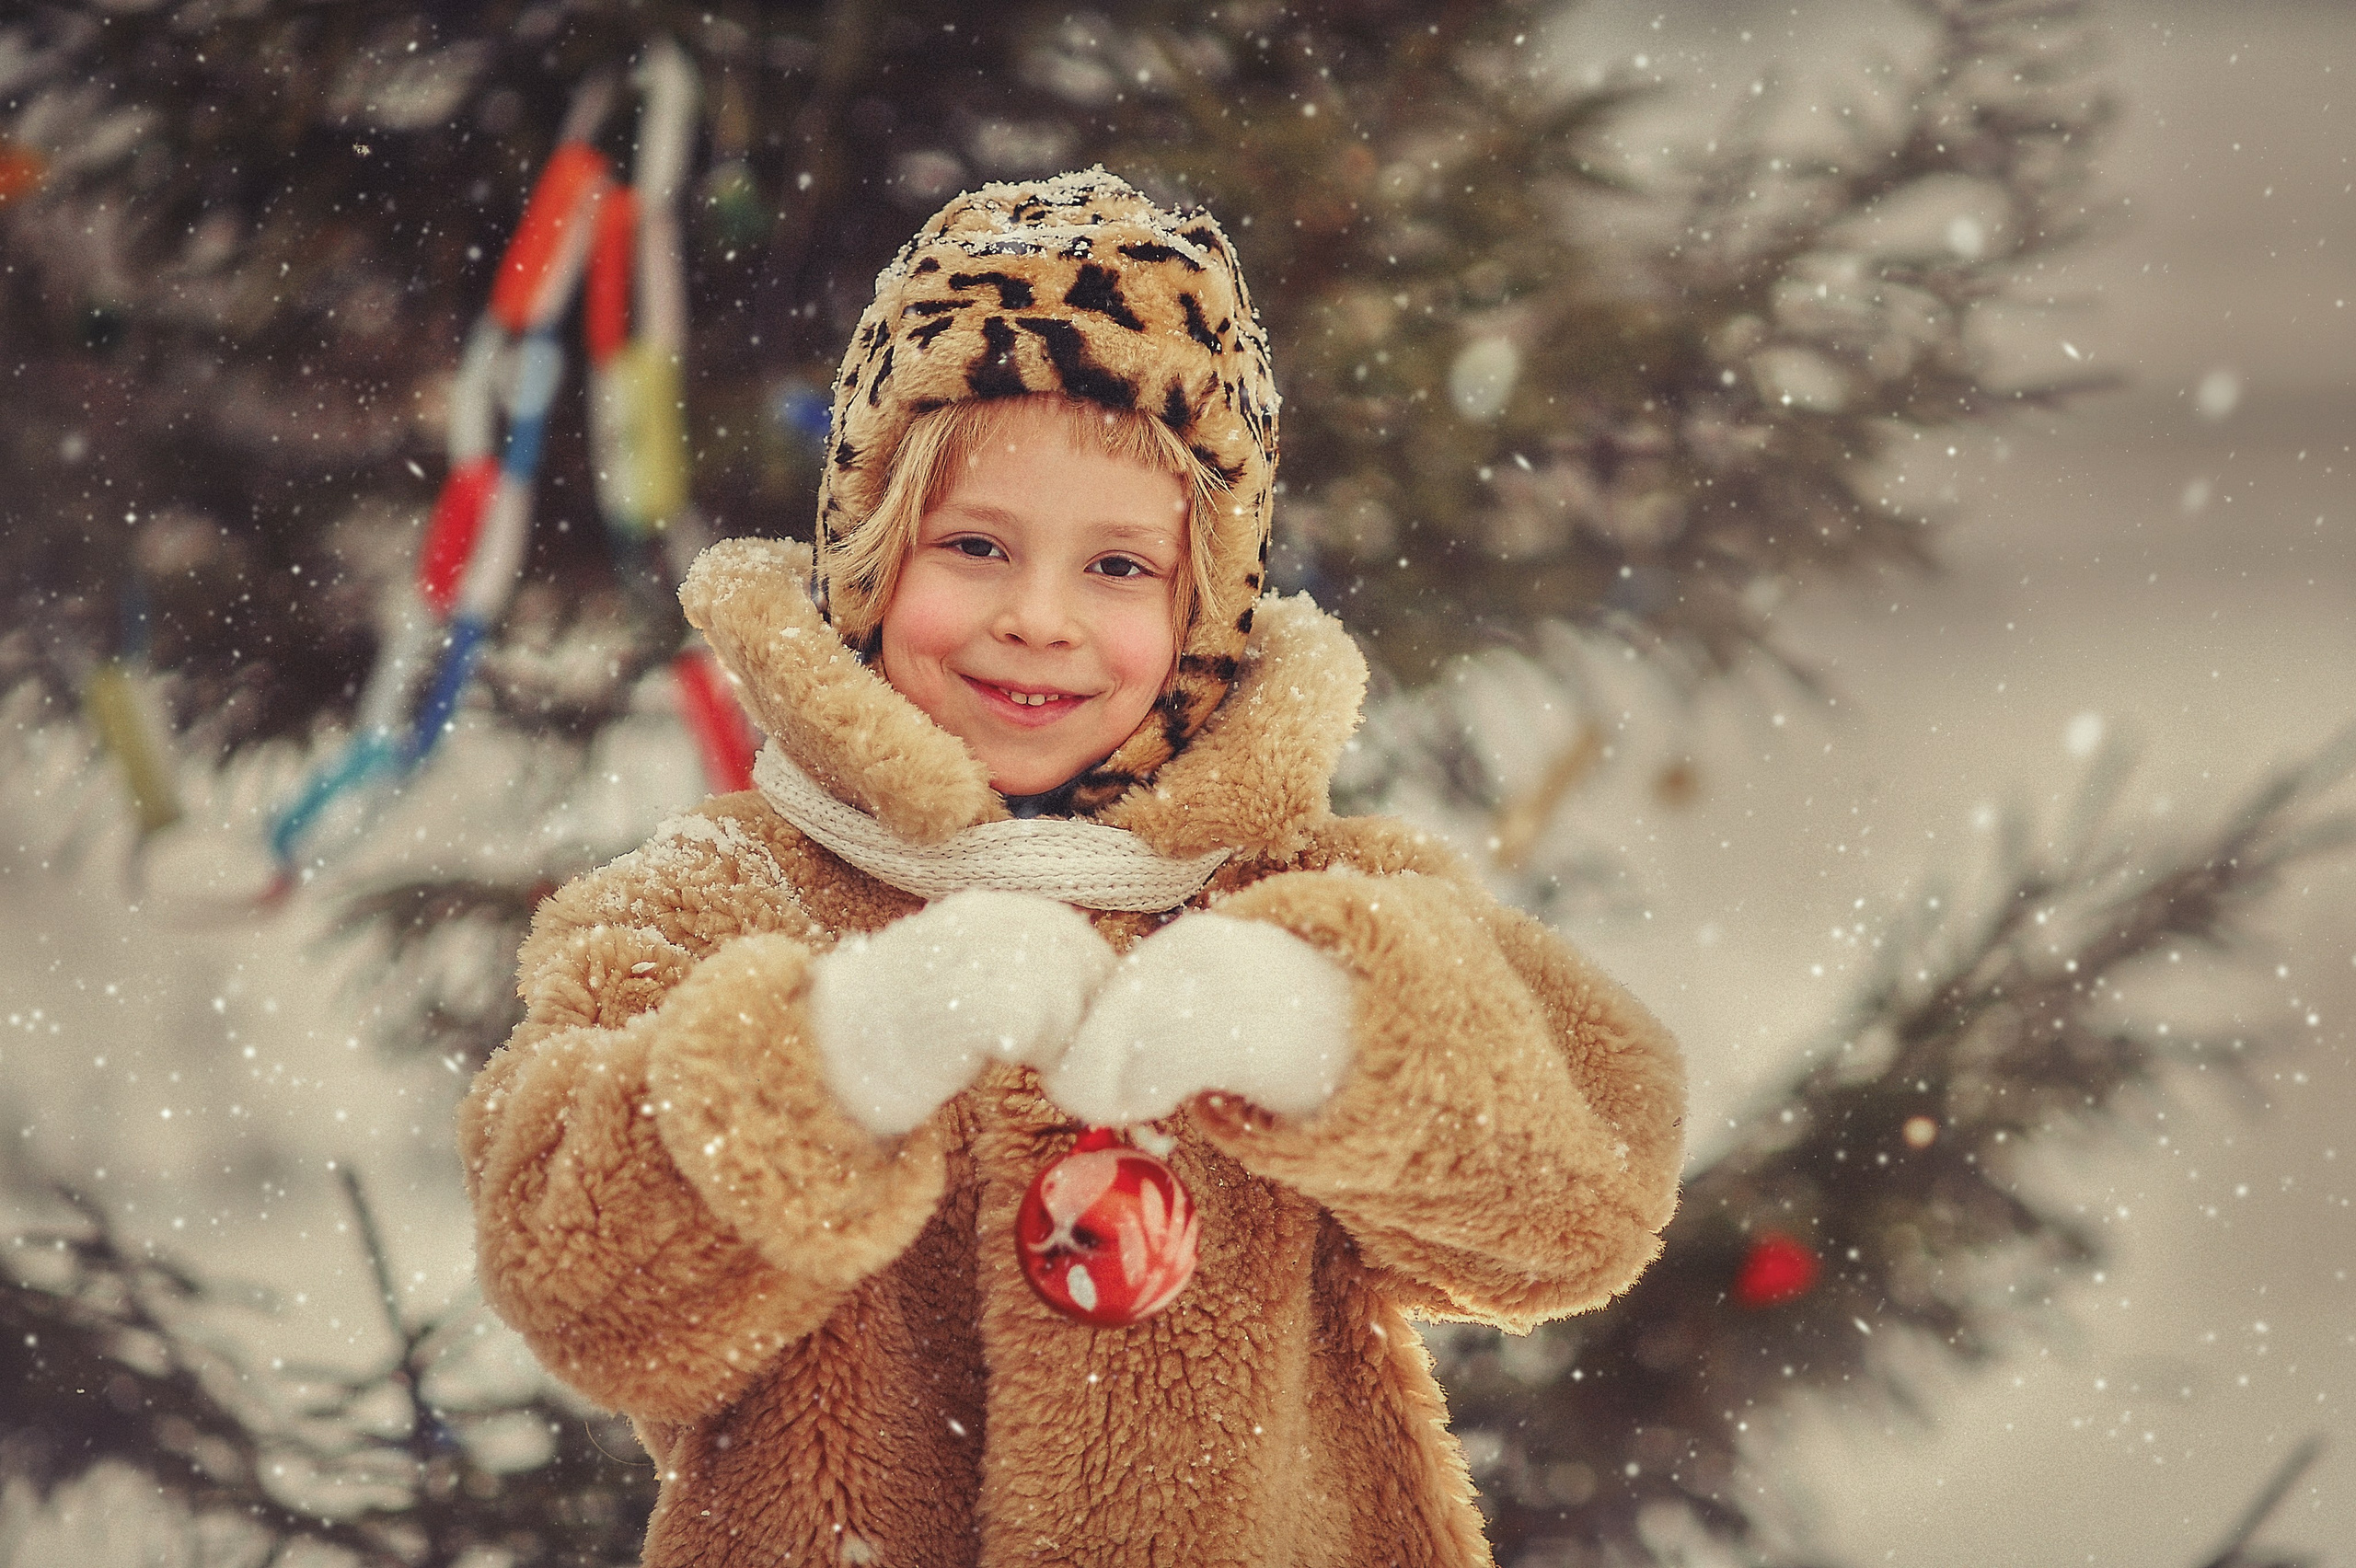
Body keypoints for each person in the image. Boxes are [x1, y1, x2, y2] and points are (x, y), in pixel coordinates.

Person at [459, 167, 1684, 1568]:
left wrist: (1330, 1033)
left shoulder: (1303, 899)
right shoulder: (722, 896)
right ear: (866, 560)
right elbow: (576, 1273)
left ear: (1205, 608)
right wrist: (841, 1054)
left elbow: (1595, 1188)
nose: (1037, 619)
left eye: (1117, 569)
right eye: (974, 546)